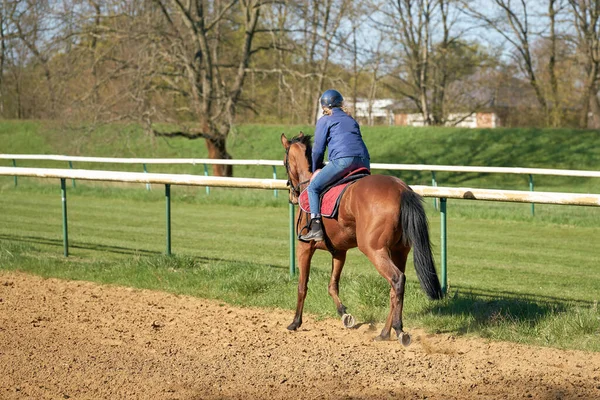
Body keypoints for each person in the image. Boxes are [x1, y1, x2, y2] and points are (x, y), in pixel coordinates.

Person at [300, 89, 371, 242]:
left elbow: (318, 150)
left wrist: (315, 170)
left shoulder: (325, 120)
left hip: (343, 161)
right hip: (364, 161)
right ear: (340, 103)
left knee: (313, 188)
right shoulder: (351, 119)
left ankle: (316, 227)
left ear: (324, 106)